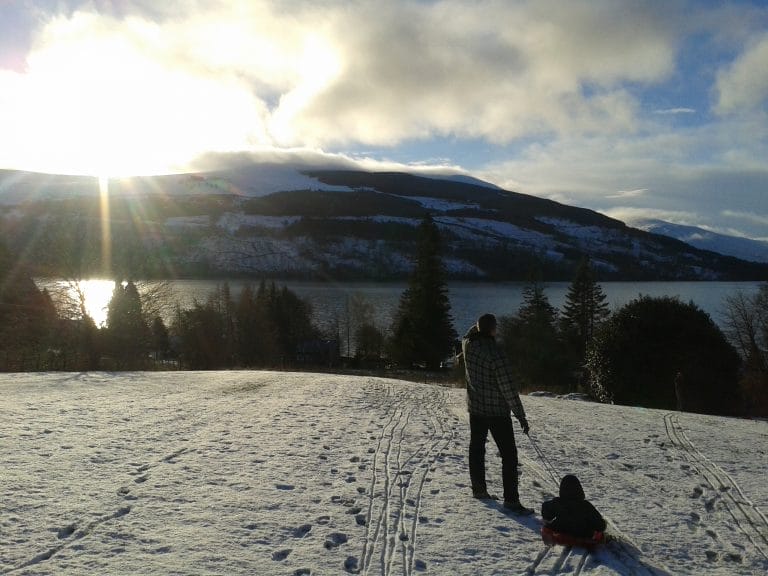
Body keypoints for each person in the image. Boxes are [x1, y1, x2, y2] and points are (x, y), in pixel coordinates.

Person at [462, 313, 532, 515]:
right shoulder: (496, 354)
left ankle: (479, 489)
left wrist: (478, 327)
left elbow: (468, 334)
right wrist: (520, 415)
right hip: (497, 412)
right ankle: (511, 500)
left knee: (477, 449)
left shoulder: (468, 345)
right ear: (492, 330)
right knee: (509, 455)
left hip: (476, 408)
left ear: (477, 329)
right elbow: (508, 388)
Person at [541, 475, 606, 541]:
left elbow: (547, 516)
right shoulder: (585, 505)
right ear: (579, 489)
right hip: (583, 534)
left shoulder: (557, 503)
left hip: (561, 531)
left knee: (551, 525)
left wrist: (547, 505)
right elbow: (600, 526)